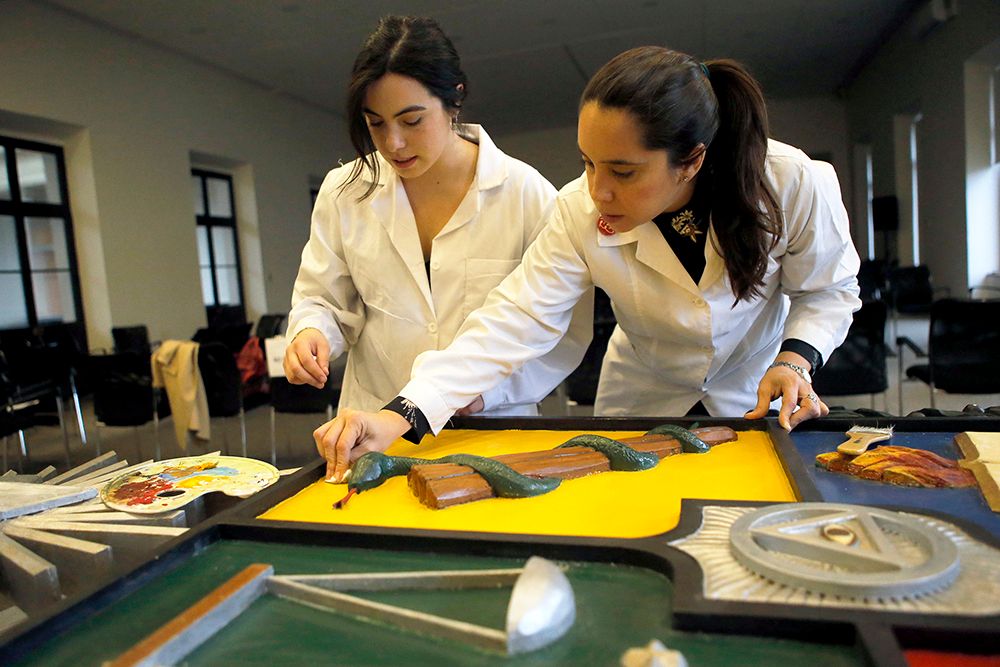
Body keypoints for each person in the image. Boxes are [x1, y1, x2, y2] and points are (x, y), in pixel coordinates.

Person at [315, 46, 861, 482]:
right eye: (587, 163)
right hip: (645, 392)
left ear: (692, 159)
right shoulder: (577, 207)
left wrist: (795, 361)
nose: (598, 190)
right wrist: (403, 413)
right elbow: (517, 317)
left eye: (623, 171)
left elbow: (830, 290)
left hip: (755, 386)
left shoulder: (792, 182)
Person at [284, 16, 591, 420]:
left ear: (454, 99)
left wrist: (488, 393)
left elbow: (560, 330)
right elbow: (322, 296)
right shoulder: (346, 191)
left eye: (412, 121)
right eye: (375, 123)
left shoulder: (525, 194)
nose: (393, 143)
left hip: (488, 420)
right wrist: (311, 332)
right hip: (374, 418)